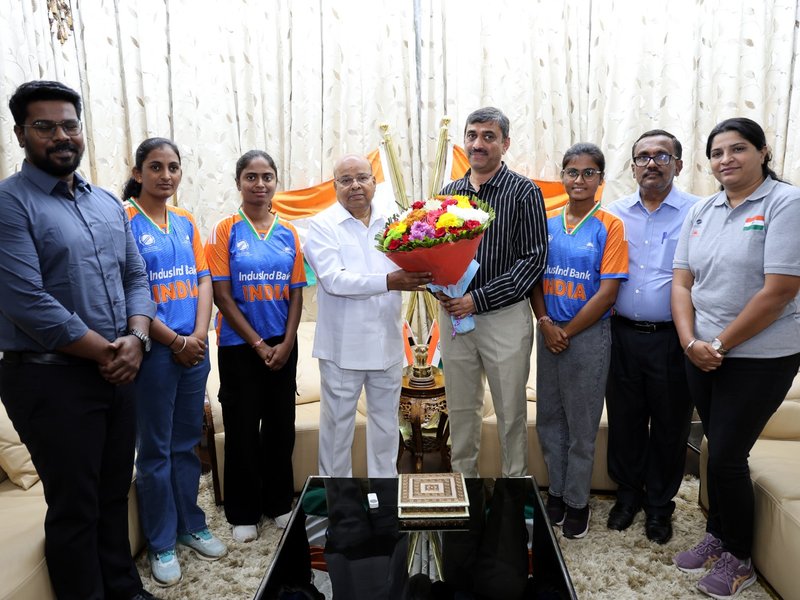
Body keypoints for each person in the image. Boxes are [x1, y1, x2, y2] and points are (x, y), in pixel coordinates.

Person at [0, 80, 158, 599]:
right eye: (44, 126)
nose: (60, 136)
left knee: (115, 492)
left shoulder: (108, 203)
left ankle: (124, 588)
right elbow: (28, 303)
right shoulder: (9, 204)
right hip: (49, 378)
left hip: (119, 370)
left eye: (70, 125)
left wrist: (136, 339)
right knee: (75, 505)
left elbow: (136, 277)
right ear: (21, 133)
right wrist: (111, 350)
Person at [671, 118, 800, 599]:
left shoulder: (786, 204)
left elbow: (781, 291)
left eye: (738, 149)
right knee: (715, 449)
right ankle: (719, 535)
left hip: (759, 356)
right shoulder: (703, 210)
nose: (726, 159)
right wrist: (690, 343)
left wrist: (719, 344)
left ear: (763, 151)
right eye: (718, 152)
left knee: (726, 455)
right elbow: (682, 280)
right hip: (700, 352)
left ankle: (739, 556)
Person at [122, 138, 227, 587]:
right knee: (155, 451)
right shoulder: (123, 220)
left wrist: (199, 336)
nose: (166, 175)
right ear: (138, 172)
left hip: (194, 350)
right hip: (154, 353)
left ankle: (190, 524)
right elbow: (130, 290)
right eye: (156, 167)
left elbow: (203, 278)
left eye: (173, 167)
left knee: (187, 444)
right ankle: (162, 541)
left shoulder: (185, 221)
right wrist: (175, 341)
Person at [303, 154, 432, 478]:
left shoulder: (395, 222)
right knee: (337, 432)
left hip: (387, 342)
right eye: (346, 180)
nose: (355, 185)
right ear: (334, 187)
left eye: (362, 177)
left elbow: (415, 266)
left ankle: (384, 501)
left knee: (387, 428)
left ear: (375, 182)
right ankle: (338, 506)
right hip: (343, 348)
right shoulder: (321, 225)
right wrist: (390, 281)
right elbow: (335, 281)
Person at [437, 107, 548, 479]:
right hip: (454, 317)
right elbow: (437, 253)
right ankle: (463, 489)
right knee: (461, 410)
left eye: (488, 136)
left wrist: (477, 300)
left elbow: (533, 261)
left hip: (504, 318)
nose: (478, 143)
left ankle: (514, 493)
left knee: (511, 413)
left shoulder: (524, 191)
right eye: (472, 135)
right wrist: (439, 287)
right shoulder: (449, 194)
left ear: (505, 143)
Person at [205, 150, 306, 543]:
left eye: (267, 176)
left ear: (275, 182)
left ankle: (279, 503)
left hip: (283, 346)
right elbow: (222, 296)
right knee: (242, 429)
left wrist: (287, 341)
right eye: (251, 177)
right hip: (239, 346)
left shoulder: (289, 231)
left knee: (281, 428)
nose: (259, 184)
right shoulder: (226, 229)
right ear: (239, 182)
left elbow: (297, 294)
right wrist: (259, 344)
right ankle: (242, 510)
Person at [604, 130, 699, 544]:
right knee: (624, 421)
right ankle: (627, 497)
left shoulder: (699, 211)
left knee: (669, 425)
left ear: (678, 164)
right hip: (621, 334)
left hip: (673, 339)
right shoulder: (614, 212)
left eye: (662, 156)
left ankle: (660, 506)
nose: (652, 163)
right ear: (632, 167)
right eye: (643, 157)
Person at [530, 143, 628, 539]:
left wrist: (564, 332)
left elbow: (607, 293)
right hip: (548, 330)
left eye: (589, 173)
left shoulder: (610, 224)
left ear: (601, 180)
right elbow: (535, 279)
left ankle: (577, 502)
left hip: (586, 336)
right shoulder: (548, 223)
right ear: (563, 177)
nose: (580, 180)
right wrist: (544, 321)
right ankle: (555, 492)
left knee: (582, 425)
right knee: (549, 420)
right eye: (572, 172)